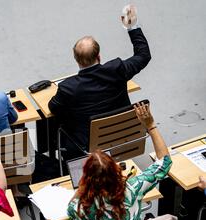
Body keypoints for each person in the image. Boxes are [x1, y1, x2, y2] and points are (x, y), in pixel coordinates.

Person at [67, 101, 172, 220]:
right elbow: (165, 162)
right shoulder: (134, 188)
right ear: (116, 171)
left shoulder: (78, 209)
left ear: (86, 179)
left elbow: (72, 205)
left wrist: (83, 185)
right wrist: (150, 125)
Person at [49, 4, 151, 161]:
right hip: (125, 138)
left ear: (76, 60)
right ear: (99, 56)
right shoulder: (117, 69)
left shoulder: (68, 88)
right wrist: (132, 27)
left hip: (89, 149)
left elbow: (53, 108)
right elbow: (143, 55)